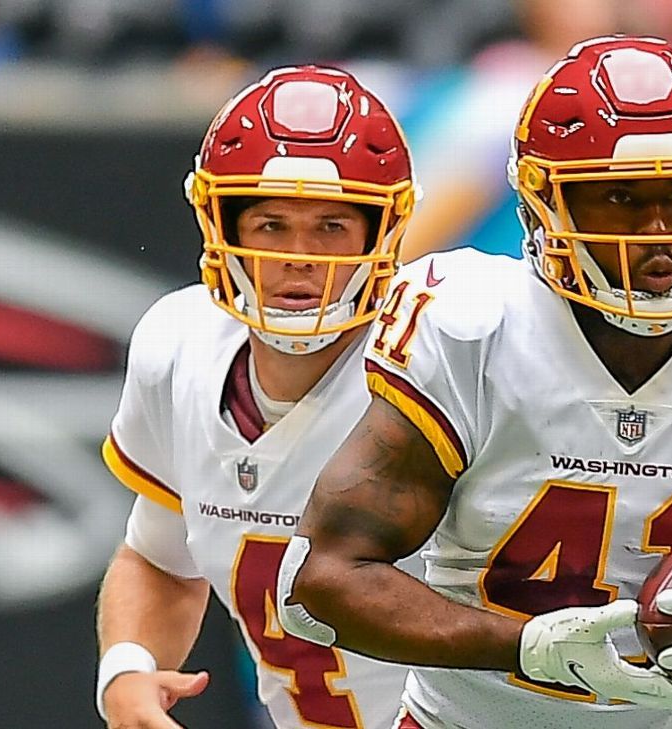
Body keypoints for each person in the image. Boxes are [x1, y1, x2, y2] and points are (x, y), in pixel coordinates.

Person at [278, 36, 672, 729]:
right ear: (542, 203)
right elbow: (320, 583)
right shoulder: (472, 328)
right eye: (620, 196)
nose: (658, 230)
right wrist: (527, 646)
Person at [94, 65, 419, 729]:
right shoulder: (179, 345)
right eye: (271, 224)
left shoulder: (441, 358)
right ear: (223, 227)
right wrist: (126, 668)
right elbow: (160, 555)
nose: (301, 254)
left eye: (331, 226)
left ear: (379, 234)